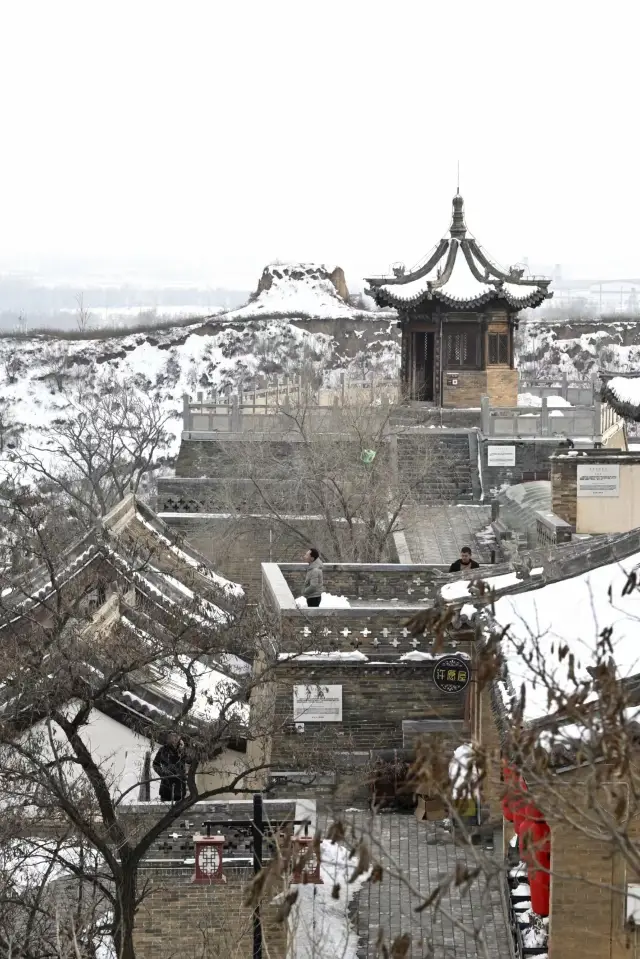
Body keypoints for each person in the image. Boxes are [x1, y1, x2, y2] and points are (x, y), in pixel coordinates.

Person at [153, 733, 186, 804]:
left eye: (177, 736)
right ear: (169, 738)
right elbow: (155, 764)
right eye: (173, 736)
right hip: (166, 785)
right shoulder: (163, 749)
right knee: (165, 810)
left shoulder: (183, 750)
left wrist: (183, 750)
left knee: (179, 811)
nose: (175, 738)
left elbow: (190, 762)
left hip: (179, 786)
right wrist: (162, 774)